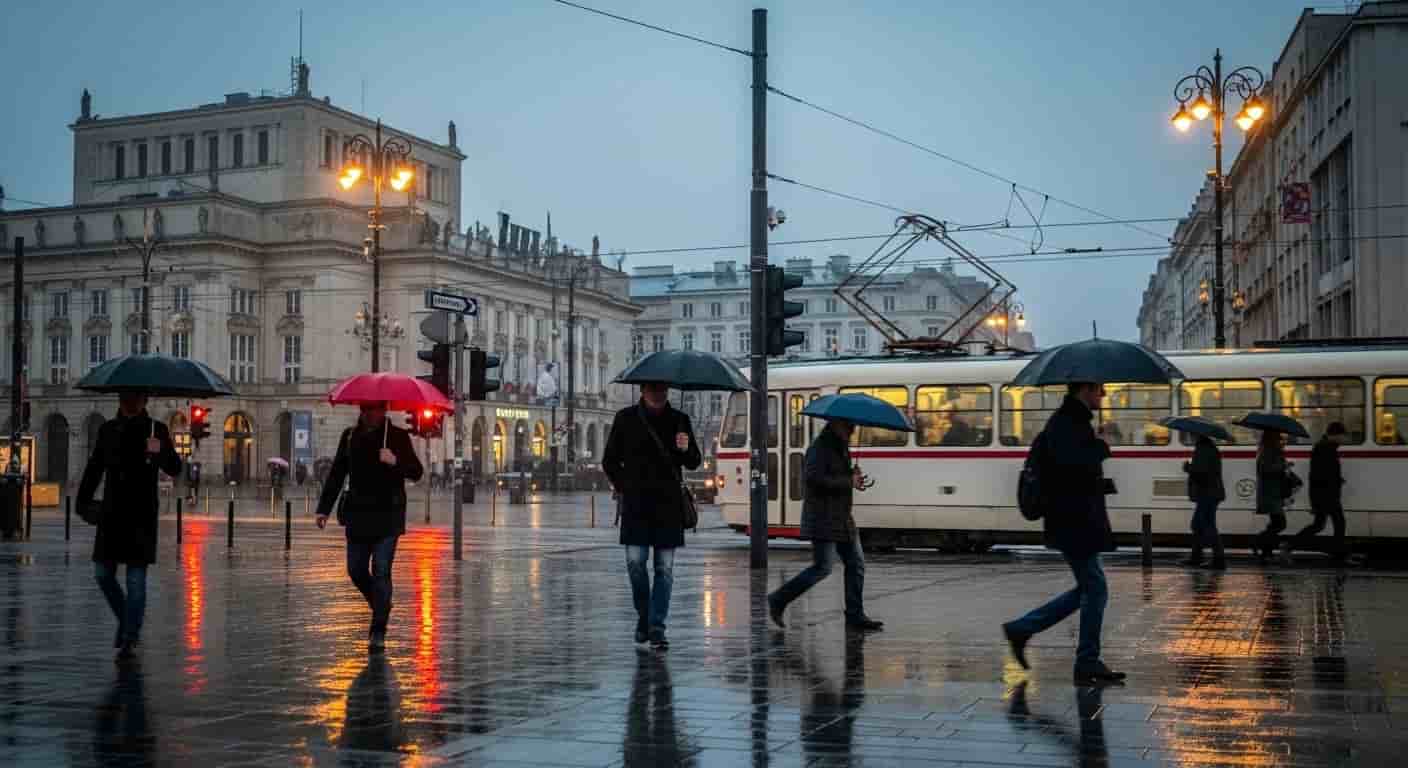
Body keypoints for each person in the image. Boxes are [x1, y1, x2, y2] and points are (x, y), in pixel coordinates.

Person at [1001, 382, 1125, 686]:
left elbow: (1072, 472)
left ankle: (1024, 629)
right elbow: (1071, 472)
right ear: (1084, 390)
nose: (1104, 395)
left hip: (1074, 520)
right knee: (1094, 588)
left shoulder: (1071, 422)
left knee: (1090, 588)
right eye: (1100, 390)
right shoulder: (1068, 423)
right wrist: (1101, 446)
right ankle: (1085, 662)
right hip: (1074, 521)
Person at [77, 392, 183, 662]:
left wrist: (157, 452)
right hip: (111, 512)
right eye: (126, 397)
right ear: (120, 399)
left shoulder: (156, 430)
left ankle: (129, 638)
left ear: (145, 400)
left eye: (135, 398)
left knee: (136, 581)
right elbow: (95, 467)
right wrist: (82, 501)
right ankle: (128, 622)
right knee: (102, 574)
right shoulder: (108, 429)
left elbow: (175, 468)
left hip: (141, 514)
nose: (130, 402)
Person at [316, 401, 423, 654]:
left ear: (384, 411)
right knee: (355, 569)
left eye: (377, 410)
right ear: (361, 411)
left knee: (382, 570)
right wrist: (323, 508)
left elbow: (416, 472)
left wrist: (395, 461)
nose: (373, 414)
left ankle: (378, 631)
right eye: (368, 410)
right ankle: (381, 603)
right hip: (358, 514)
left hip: (388, 515)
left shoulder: (397, 436)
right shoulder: (350, 435)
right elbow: (337, 473)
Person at [602, 381, 701, 650]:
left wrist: (685, 447)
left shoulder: (680, 420)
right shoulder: (625, 418)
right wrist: (625, 486)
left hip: (668, 506)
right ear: (643, 391)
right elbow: (609, 460)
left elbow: (694, 461)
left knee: (664, 569)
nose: (659, 393)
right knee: (635, 564)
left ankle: (657, 626)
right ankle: (645, 617)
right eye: (654, 389)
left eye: (663, 389)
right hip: (636, 505)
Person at [767, 418, 884, 632]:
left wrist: (853, 476)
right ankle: (778, 599)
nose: (852, 430)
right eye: (849, 426)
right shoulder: (819, 448)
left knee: (856, 564)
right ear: (836, 425)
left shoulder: (841, 447)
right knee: (823, 567)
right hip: (823, 518)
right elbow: (813, 480)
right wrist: (849, 480)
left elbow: (837, 478)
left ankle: (855, 616)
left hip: (841, 518)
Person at [1281, 422, 1347, 564]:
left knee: (1319, 525)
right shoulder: (1325, 448)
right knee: (1338, 522)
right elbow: (1321, 474)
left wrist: (1338, 479)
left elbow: (1323, 472)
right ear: (1334, 435)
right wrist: (1336, 481)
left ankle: (1289, 545)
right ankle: (1339, 555)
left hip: (1324, 493)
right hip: (1326, 494)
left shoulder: (1325, 447)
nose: (1344, 439)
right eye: (1342, 435)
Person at [1182, 433, 1226, 569]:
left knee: (1205, 524)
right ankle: (1197, 557)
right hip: (1211, 492)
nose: (1190, 436)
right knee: (1199, 525)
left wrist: (1188, 468)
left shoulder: (1203, 450)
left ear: (1197, 436)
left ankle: (1218, 559)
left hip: (1208, 493)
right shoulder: (1208, 448)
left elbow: (1201, 473)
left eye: (1191, 435)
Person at [1252, 430, 1287, 562]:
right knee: (1280, 523)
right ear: (1273, 439)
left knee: (1276, 523)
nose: (1282, 441)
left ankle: (1266, 552)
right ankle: (1259, 541)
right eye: (1279, 438)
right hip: (1270, 492)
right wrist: (1283, 465)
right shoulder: (1268, 451)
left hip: (1272, 491)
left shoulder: (1269, 450)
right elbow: (1266, 469)